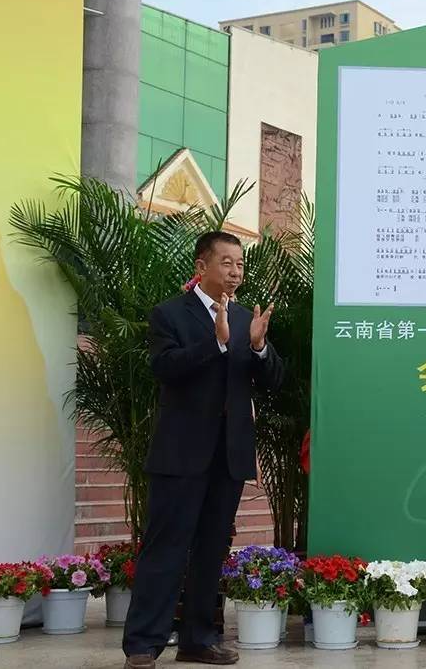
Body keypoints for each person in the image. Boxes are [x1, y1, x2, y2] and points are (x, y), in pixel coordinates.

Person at [123, 231, 285, 669]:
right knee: (166, 548)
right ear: (202, 266)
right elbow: (165, 368)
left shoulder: (248, 317)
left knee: (212, 549)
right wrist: (213, 343)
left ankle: (198, 639)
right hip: (181, 455)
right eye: (227, 263)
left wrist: (257, 346)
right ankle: (143, 644)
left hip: (228, 456)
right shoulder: (170, 314)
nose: (235, 272)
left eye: (240, 264)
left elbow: (272, 381)